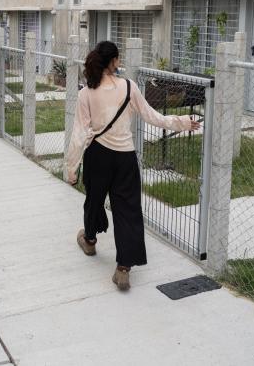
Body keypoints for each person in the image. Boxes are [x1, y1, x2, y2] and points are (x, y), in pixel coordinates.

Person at [66, 41, 200, 291]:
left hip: (97, 156)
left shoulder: (86, 93)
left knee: (94, 200)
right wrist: (182, 122)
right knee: (127, 210)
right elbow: (153, 117)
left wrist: (72, 168)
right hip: (125, 158)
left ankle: (90, 239)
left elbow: (79, 134)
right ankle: (123, 269)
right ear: (114, 61)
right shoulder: (129, 87)